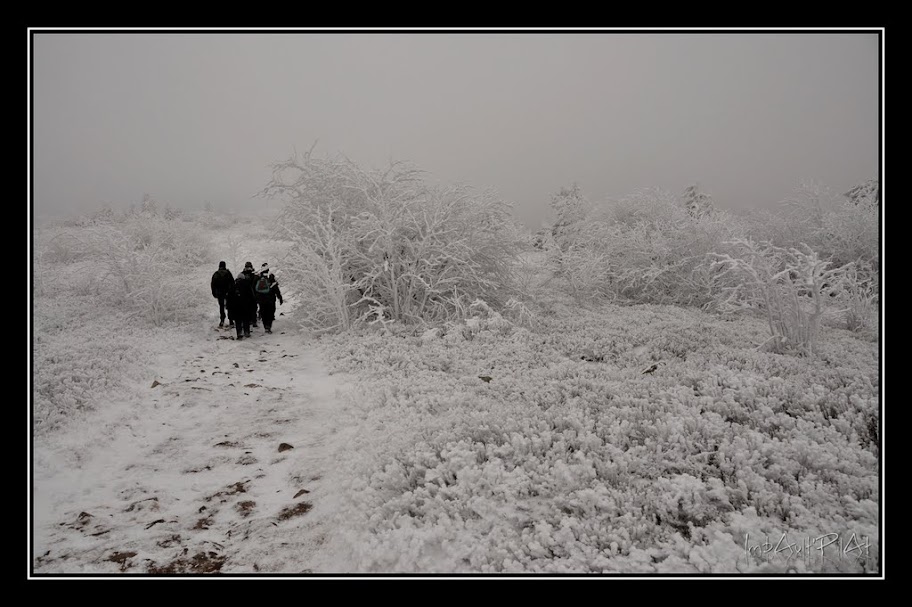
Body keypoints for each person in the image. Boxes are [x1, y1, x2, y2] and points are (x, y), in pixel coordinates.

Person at [254, 263, 283, 334]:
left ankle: (265, 326)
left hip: (261, 299)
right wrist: (279, 297)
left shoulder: (258, 277)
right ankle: (268, 326)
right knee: (270, 312)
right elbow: (276, 288)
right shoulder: (271, 277)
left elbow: (254, 288)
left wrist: (255, 298)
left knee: (263, 312)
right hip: (270, 298)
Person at [227, 268, 256, 340]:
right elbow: (252, 296)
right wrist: (253, 305)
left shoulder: (233, 286)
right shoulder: (247, 285)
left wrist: (229, 307)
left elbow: (229, 297)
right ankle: (247, 332)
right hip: (246, 305)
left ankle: (239, 333)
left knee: (238, 320)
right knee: (246, 318)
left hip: (236, 307)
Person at [210, 261, 234, 328]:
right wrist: (232, 292)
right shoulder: (228, 273)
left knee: (221, 307)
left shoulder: (216, 274)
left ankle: (222, 320)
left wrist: (214, 293)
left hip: (219, 293)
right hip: (228, 293)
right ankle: (231, 320)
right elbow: (232, 283)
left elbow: (213, 284)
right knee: (229, 307)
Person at [241, 261, 260, 328]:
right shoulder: (255, 275)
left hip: (245, 295)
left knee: (247, 308)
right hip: (254, 294)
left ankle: (249, 321)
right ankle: (254, 321)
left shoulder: (242, 274)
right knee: (254, 308)